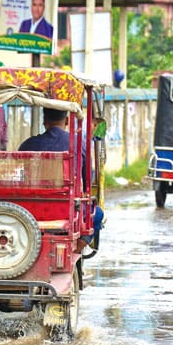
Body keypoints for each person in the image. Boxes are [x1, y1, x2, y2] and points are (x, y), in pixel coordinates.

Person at [19, 108, 103, 257]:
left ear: (44, 121)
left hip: (29, 208)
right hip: (66, 210)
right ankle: (74, 251)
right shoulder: (79, 143)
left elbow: (20, 177)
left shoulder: (27, 145)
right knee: (98, 214)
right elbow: (87, 178)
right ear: (67, 121)